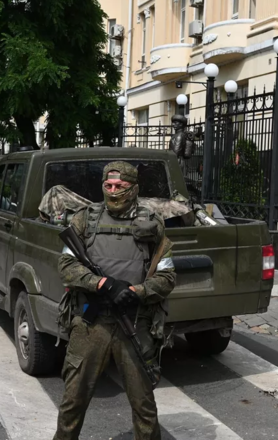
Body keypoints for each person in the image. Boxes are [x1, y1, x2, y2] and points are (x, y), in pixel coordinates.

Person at [54, 161, 176, 440]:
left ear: (134, 188)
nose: (113, 191)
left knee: (143, 404)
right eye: (108, 186)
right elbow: (66, 265)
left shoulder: (152, 223)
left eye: (120, 186)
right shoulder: (85, 219)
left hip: (133, 322)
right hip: (91, 321)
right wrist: (102, 284)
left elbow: (167, 276)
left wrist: (137, 293)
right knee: (73, 401)